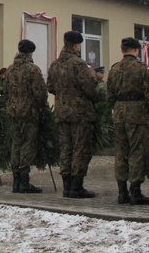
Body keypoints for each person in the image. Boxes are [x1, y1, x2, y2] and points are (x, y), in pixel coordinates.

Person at [47, 30, 100, 198]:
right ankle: (77, 186)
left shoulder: (55, 64)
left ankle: (67, 186)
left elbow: (50, 86)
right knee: (80, 148)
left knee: (66, 149)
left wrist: (64, 93)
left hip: (62, 113)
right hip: (80, 113)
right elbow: (91, 88)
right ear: (77, 45)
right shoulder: (79, 64)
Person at [106, 37, 149, 205]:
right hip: (138, 112)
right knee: (137, 151)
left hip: (120, 112)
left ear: (122, 49)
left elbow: (110, 95)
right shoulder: (141, 69)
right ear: (136, 50)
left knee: (121, 151)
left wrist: (118, 107)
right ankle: (135, 190)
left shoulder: (114, 69)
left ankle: (122, 192)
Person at [3, 39, 48, 193]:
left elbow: (6, 92)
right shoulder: (32, 69)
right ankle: (24, 181)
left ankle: (16, 180)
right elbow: (40, 93)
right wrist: (42, 108)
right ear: (30, 52)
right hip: (29, 113)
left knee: (16, 144)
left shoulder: (10, 70)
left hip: (13, 112)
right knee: (28, 145)